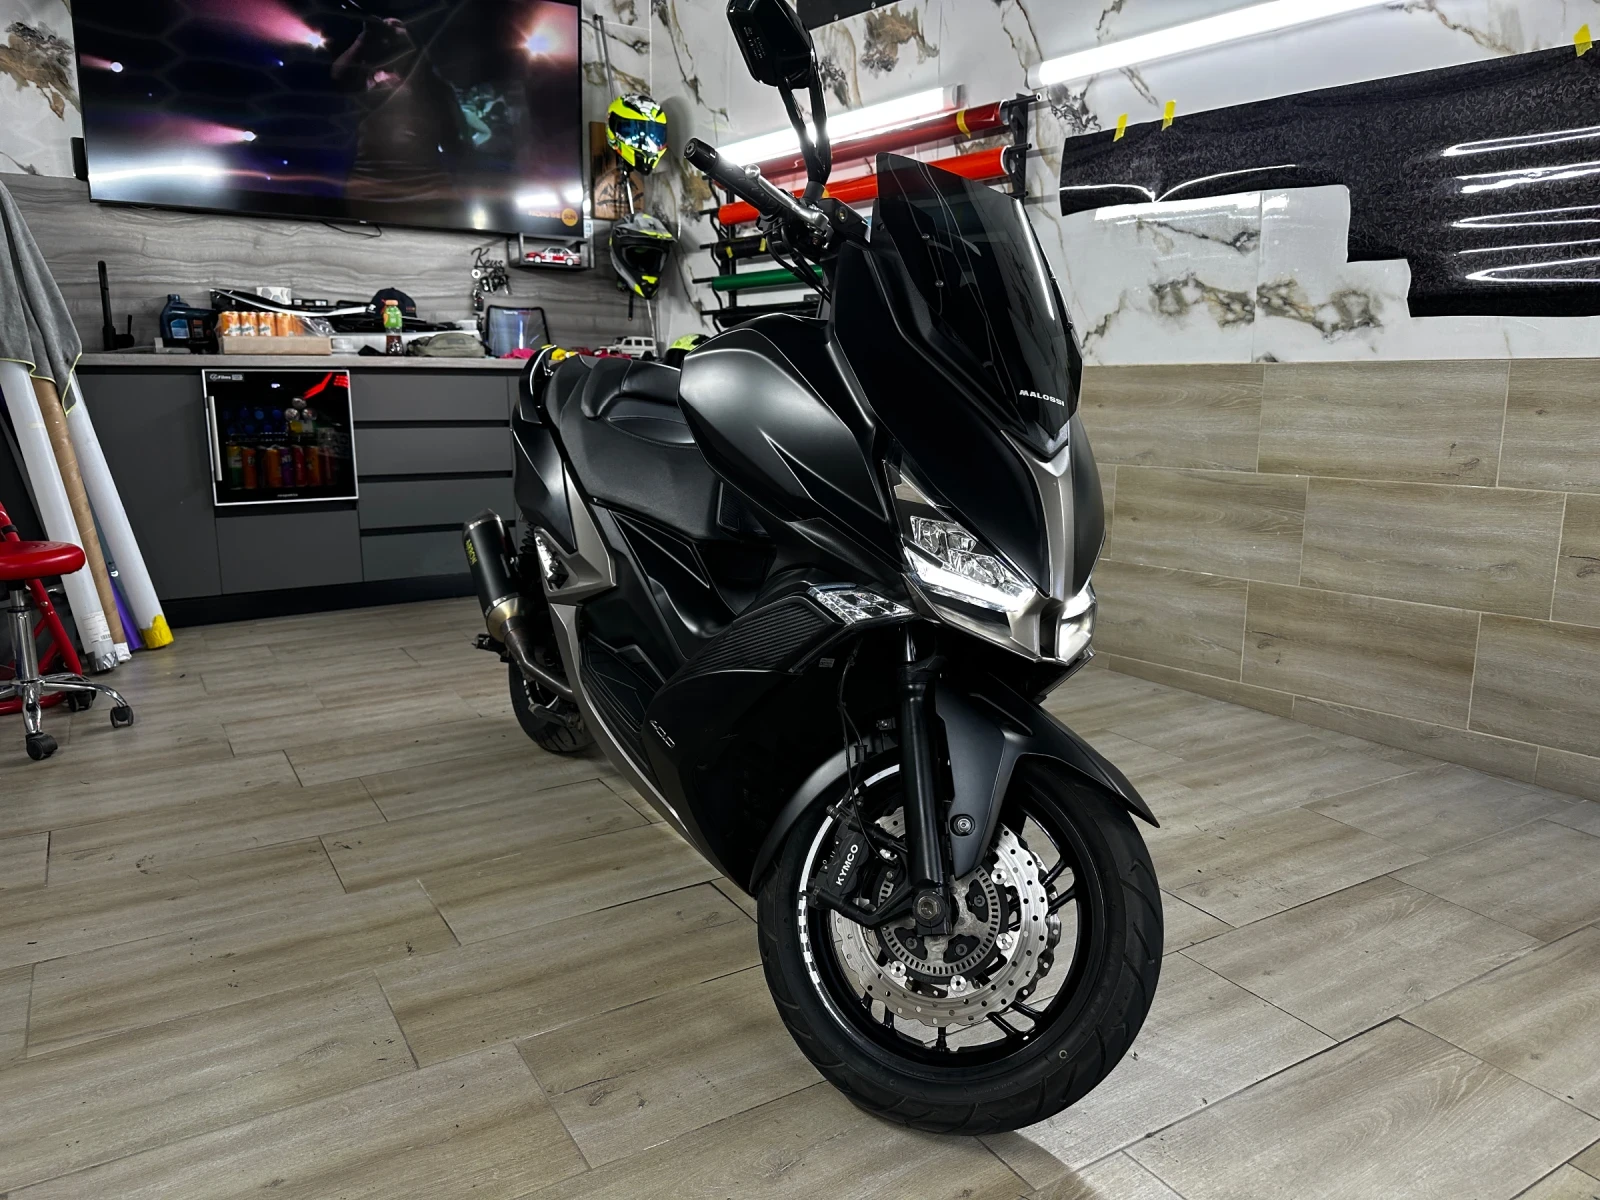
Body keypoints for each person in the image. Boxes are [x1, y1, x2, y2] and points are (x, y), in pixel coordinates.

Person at [331, 15, 468, 203]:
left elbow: (456, 142)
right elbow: (338, 75)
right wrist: (361, 40)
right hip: (369, 189)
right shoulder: (368, 77)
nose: (389, 27)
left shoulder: (429, 83)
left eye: (396, 25)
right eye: (386, 25)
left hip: (427, 189)